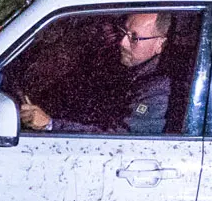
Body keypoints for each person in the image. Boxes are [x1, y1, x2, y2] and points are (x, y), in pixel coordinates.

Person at [18, 11, 174, 134]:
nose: (122, 43)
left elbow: (119, 141)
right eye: (123, 32)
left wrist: (50, 125)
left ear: (160, 44)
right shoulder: (114, 64)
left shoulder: (158, 91)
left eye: (135, 38)